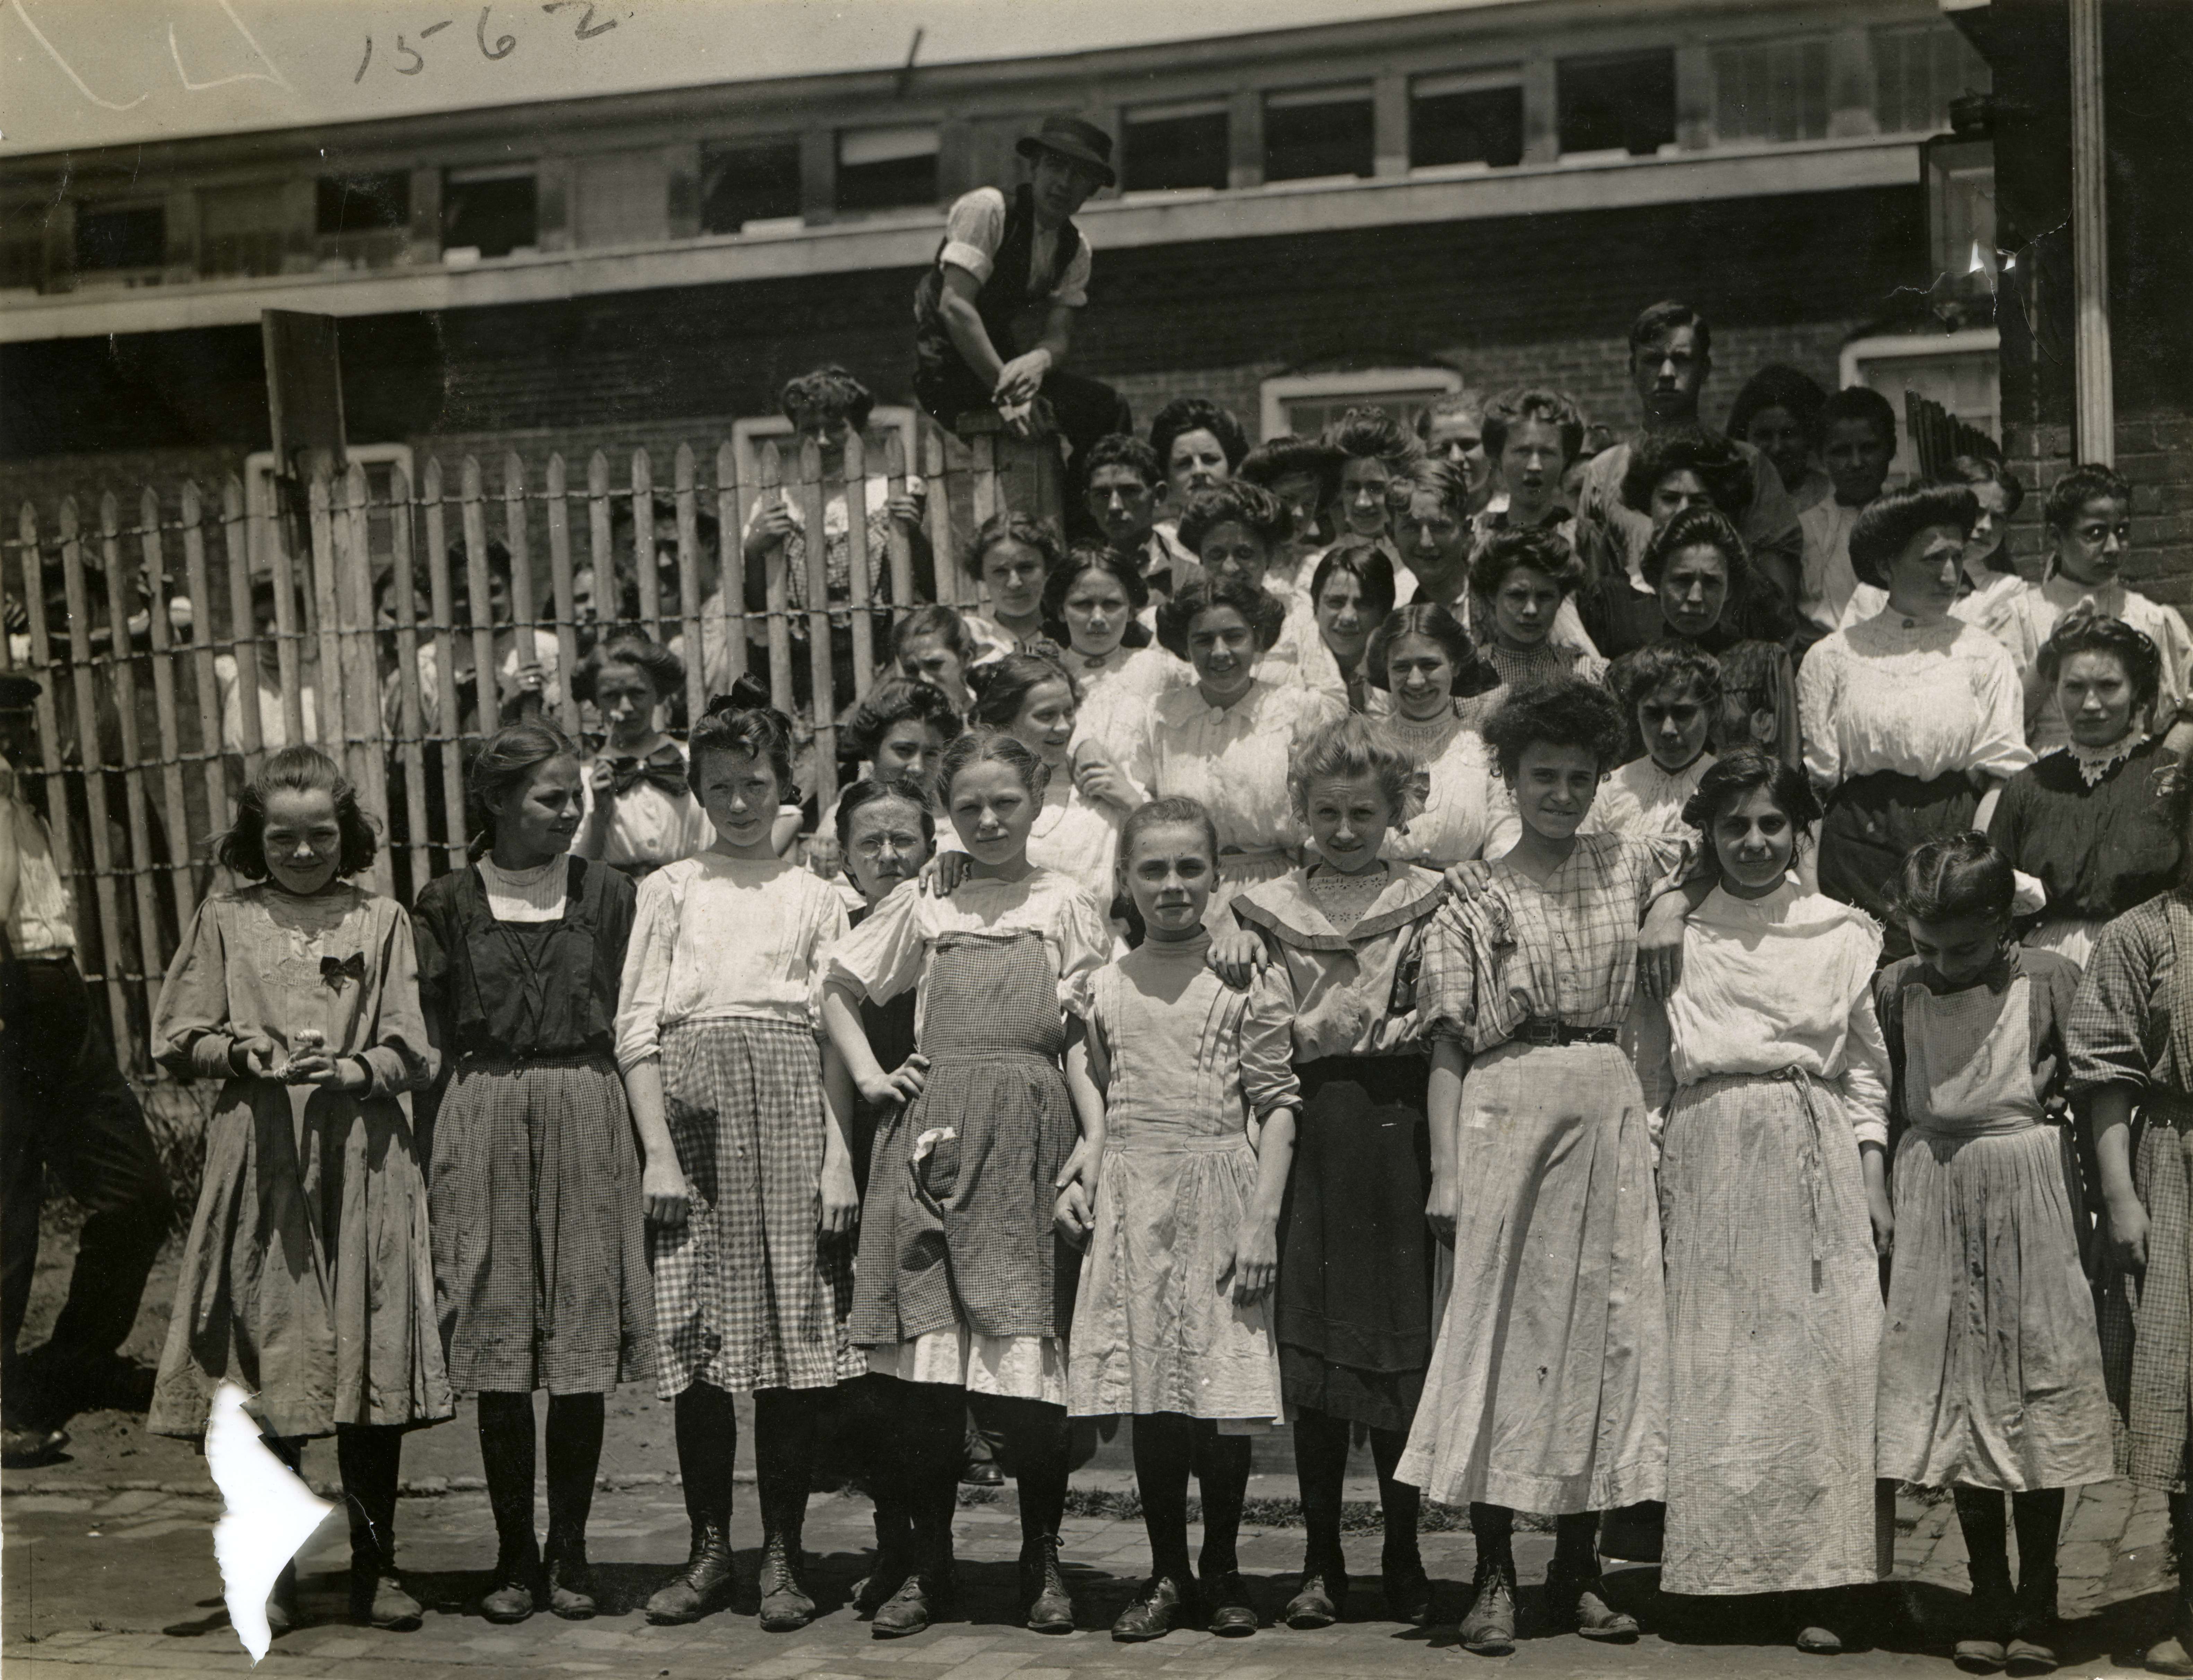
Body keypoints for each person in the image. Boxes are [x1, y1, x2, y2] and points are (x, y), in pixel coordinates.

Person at [1399, 680, 1677, 1656]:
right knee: (1504, 1341)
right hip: (1505, 1106)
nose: (1561, 793)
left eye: (1580, 777)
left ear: (1603, 781)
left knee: (1603, 1337)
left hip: (1605, 1092)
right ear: (1511, 782)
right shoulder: (1474, 891)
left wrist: (1670, 908)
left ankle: (1580, 1572)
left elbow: (1692, 862)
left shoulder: (1630, 859)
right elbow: (1445, 1043)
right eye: (1542, 777)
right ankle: (1492, 1577)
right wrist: (1446, 1171)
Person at [147, 746, 447, 1634]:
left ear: (347, 834)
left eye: (322, 834)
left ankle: (377, 1568)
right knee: (271, 1355)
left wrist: (354, 1065)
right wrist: (238, 1051)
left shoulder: (383, 918)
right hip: (263, 1154)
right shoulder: (225, 919)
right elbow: (178, 1031)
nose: (305, 852)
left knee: (363, 1352)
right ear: (256, 837)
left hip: (359, 1155)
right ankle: (272, 1572)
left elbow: (412, 1045)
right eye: (285, 836)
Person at [820, 729, 1111, 1638]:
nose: (989, 820)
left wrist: (1095, 1138)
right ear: (949, 812)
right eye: (970, 806)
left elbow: (1083, 1036)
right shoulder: (925, 903)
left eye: (1006, 803)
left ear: (1035, 800)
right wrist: (874, 1080)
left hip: (1031, 1140)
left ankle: (1042, 1560)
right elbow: (834, 987)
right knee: (929, 1380)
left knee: (1029, 1379)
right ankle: (931, 1566)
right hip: (934, 1139)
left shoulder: (1066, 900)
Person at [613, 698, 861, 1631]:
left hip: (796, 1111)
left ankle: (784, 1557)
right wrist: (659, 1156)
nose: (740, 802)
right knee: (701, 1346)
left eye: (757, 783)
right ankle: (711, 1549)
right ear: (697, 791)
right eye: (720, 787)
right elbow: (638, 1030)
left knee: (794, 1350)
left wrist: (839, 1157)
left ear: (789, 784)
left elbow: (835, 1036)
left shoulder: (821, 898)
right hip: (695, 1122)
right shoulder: (670, 889)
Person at [1639, 750, 1891, 1653]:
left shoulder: (1843, 932)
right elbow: (1650, 1070)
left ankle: (1829, 1583)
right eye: (1734, 825)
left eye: (1771, 824)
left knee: (1823, 1370)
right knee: (1723, 1369)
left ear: (1800, 833)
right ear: (1706, 832)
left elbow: (1864, 1068)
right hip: (1709, 1154)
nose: (1753, 841)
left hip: (1811, 1145)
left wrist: (1871, 1175)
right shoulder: (1673, 930)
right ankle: (1724, 1583)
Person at [413, 723, 652, 1625]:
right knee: (502, 1341)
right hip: (480, 1113)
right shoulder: (444, 902)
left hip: (589, 1111)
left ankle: (574, 1551)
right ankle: (514, 1555)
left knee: (581, 1342)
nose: (569, 812)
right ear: (499, 804)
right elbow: (431, 1037)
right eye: (550, 798)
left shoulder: (610, 894)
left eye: (575, 797)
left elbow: (635, 1016)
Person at [1214, 716, 1447, 1631]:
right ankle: (1319, 1561)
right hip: (1311, 1126)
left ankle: (1403, 1549)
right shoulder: (1261, 904)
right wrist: (1231, 923)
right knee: (1314, 1359)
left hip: (1401, 1128)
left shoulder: (1433, 897)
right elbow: (1263, 1033)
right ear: (1300, 812)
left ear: (1394, 810)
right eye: (1327, 813)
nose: (1345, 830)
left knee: (1394, 1354)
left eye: (1362, 812)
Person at [1870, 835, 2109, 1676]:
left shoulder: (2049, 978)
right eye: (1924, 945)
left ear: (2004, 925)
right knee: (1963, 1396)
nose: (1940, 963)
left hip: (2028, 1183)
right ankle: (1988, 1594)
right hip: (1936, 1183)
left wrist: (2094, 1215)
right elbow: (1886, 1088)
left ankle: (2039, 1597)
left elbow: (2084, 1092)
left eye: (1963, 948)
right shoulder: (1896, 987)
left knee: (2033, 1386)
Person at [1067, 797, 1298, 1642]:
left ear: (1216, 877)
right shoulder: (1103, 983)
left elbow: (1276, 1105)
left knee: (1215, 1397)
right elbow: (1089, 1073)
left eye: (1189, 868)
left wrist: (1261, 1221)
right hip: (1135, 1196)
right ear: (1125, 879)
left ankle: (1224, 1566)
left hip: (1219, 1192)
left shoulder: (1245, 972)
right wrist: (1089, 1155)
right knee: (1155, 1398)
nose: (1171, 885)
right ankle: (1165, 1570)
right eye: (1153, 869)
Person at [0, 672, 174, 1467]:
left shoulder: (20, 788)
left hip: (55, 997)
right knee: (7, 1218)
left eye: (16, 718)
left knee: (135, 1193)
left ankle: (78, 1357)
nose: (19, 732)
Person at [2071, 762, 2193, 1676]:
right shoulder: (2145, 933)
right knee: (2183, 1389)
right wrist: (2121, 1194)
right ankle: (2188, 1606)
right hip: (2177, 1171)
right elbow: (2104, 1072)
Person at [1798, 482, 2033, 960]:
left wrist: (1971, 866)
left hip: (1952, 840)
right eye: (1932, 559)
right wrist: (1806, 894)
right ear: (1886, 565)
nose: (1950, 575)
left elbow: (1999, 778)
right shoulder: (1833, 657)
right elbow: (1816, 789)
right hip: (1857, 846)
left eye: (1957, 557)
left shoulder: (1984, 655)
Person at [826, 776, 939, 1619]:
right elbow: (831, 1062)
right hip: (869, 1144)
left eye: (905, 839)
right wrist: (839, 1158)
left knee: (939, 1360)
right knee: (880, 1370)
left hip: (950, 1144)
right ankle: (897, 1540)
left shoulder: (949, 918)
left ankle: (942, 1552)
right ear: (844, 854)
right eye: (872, 842)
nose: (890, 856)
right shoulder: (840, 933)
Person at [1119, 577, 1346, 927]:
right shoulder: (1162, 716)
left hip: (1282, 891)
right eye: (1204, 640)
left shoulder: (1296, 711)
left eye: (1234, 636)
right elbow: (1143, 802)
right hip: (1186, 896)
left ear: (1257, 638)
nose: (1220, 652)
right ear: (1185, 645)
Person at [911, 115, 1132, 473]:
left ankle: (1084, 521)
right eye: (1055, 167)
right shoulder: (988, 210)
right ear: (1034, 167)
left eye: (1079, 176)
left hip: (1004, 366)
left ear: (1092, 190)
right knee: (1024, 437)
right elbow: (955, 306)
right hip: (947, 370)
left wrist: (1039, 361)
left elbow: (1059, 334)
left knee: (1106, 409)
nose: (1063, 183)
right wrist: (1009, 395)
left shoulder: (1075, 250)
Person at [1573, 301, 1803, 611]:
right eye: (1654, 360)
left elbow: (1777, 595)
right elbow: (1592, 595)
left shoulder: (1747, 465)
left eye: (1681, 360)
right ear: (1633, 369)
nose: (1667, 373)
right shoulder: (1604, 471)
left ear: (1705, 369)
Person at [729, 366, 935, 711]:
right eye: (810, 429)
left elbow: (932, 589)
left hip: (882, 656)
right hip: (803, 663)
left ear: (858, 430)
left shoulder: (892, 491)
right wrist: (753, 549)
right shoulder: (778, 502)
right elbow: (756, 607)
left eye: (836, 427)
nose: (822, 440)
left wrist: (913, 532)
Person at [1989, 611, 2183, 965]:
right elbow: (1992, 900)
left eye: (2108, 686)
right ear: (2055, 690)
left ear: (2135, 689)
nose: (2090, 705)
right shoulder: (2027, 786)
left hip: (2153, 960)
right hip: (2042, 966)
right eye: (2074, 688)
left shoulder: (2172, 777)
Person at [1997, 463, 2193, 755]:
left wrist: (2160, 774)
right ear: (2055, 537)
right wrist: (2051, 654)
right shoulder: (2022, 614)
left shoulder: (2148, 616)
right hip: (2048, 770)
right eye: (2096, 533)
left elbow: (2185, 714)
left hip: (2131, 771)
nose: (2114, 546)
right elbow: (2004, 719)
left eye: (2122, 531)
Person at [1604, 506, 1803, 769]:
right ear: (1656, 582)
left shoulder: (1764, 665)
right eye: (1682, 581)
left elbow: (1786, 767)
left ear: (1730, 589)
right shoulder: (1626, 674)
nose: (1696, 597)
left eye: (1711, 583)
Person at [1586, 424, 1797, 659]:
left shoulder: (1752, 595)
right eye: (1670, 499)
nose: (1682, 512)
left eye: (1699, 500)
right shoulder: (1612, 597)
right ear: (1649, 502)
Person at [960, 653, 1125, 899]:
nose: (1064, 727)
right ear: (1005, 721)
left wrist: (1132, 804)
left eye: (1069, 712)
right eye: (1046, 716)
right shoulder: (972, 789)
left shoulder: (1099, 780)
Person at [1362, 603, 1506, 869]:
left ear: (1455, 666)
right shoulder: (1363, 748)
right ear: (1387, 670)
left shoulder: (1485, 752)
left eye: (1430, 665)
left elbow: (1505, 836)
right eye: (1402, 667)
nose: (1416, 681)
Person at [1176, 480, 1345, 703]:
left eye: (1244, 554)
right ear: (1201, 558)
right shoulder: (1184, 617)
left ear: (1268, 558)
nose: (1230, 568)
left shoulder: (1297, 616)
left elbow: (1333, 700)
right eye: (1216, 555)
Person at [573, 633, 713, 880]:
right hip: (621, 905)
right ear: (596, 700)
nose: (625, 707)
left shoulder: (696, 760)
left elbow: (784, 818)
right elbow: (577, 872)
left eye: (637, 693)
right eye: (611, 696)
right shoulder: (584, 778)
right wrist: (599, 816)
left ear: (658, 694)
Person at [1797, 386, 1901, 639]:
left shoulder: (1909, 515)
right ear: (1821, 458)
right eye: (1841, 452)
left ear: (1891, 449)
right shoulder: (1805, 529)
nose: (1856, 463)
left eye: (1868, 448)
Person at [1591, 644, 1721, 841]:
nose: (1668, 729)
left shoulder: (1730, 787)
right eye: (1653, 714)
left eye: (1683, 713)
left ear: (1711, 711)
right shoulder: (1610, 789)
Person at [1467, 526, 1604, 705]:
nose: (1531, 610)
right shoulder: (1468, 677)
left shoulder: (1585, 671)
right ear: (1492, 595)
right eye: (1517, 595)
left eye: (1545, 597)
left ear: (1561, 600)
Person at [1148, 397, 1250, 580]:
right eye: (1184, 463)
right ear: (1167, 476)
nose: (1199, 471)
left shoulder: (1251, 536)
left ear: (1231, 467)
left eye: (1210, 459)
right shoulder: (1159, 543)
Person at [1081, 434, 1184, 605]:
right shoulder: (1079, 578)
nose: (1115, 506)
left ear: (1158, 495)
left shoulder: (1186, 570)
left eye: (1129, 492)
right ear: (1088, 503)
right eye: (1102, 494)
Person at [1240, 433, 1345, 588]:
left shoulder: (1323, 566)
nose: (1299, 514)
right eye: (1288, 499)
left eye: (1309, 504)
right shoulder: (1238, 561)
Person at [1727, 362, 1832, 513]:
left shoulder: (1834, 498)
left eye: (1789, 434)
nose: (1777, 448)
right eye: (1764, 436)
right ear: (1746, 438)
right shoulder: (1732, 504)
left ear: (1808, 437)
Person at [1307, 540, 1398, 713]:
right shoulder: (1291, 670)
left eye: (1363, 604)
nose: (1348, 617)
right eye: (1336, 602)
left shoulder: (1403, 676)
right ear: (1316, 607)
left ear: (1385, 613)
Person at [1323, 405, 1423, 555]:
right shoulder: (1318, 564)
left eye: (1376, 488)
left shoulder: (1419, 560)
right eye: (1352, 488)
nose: (1363, 503)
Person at [962, 511, 1063, 657]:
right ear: (982, 575)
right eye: (1000, 571)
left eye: (1026, 568)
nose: (1014, 583)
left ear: (1047, 569)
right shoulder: (969, 643)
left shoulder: (1072, 639)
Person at [1417, 389, 1496, 519]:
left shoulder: (1517, 510)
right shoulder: (1419, 518)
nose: (1456, 458)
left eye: (1468, 445)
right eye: (1444, 448)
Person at [891, 605, 981, 715]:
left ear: (967, 658)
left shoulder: (993, 721)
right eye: (912, 670)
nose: (924, 680)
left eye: (934, 665)